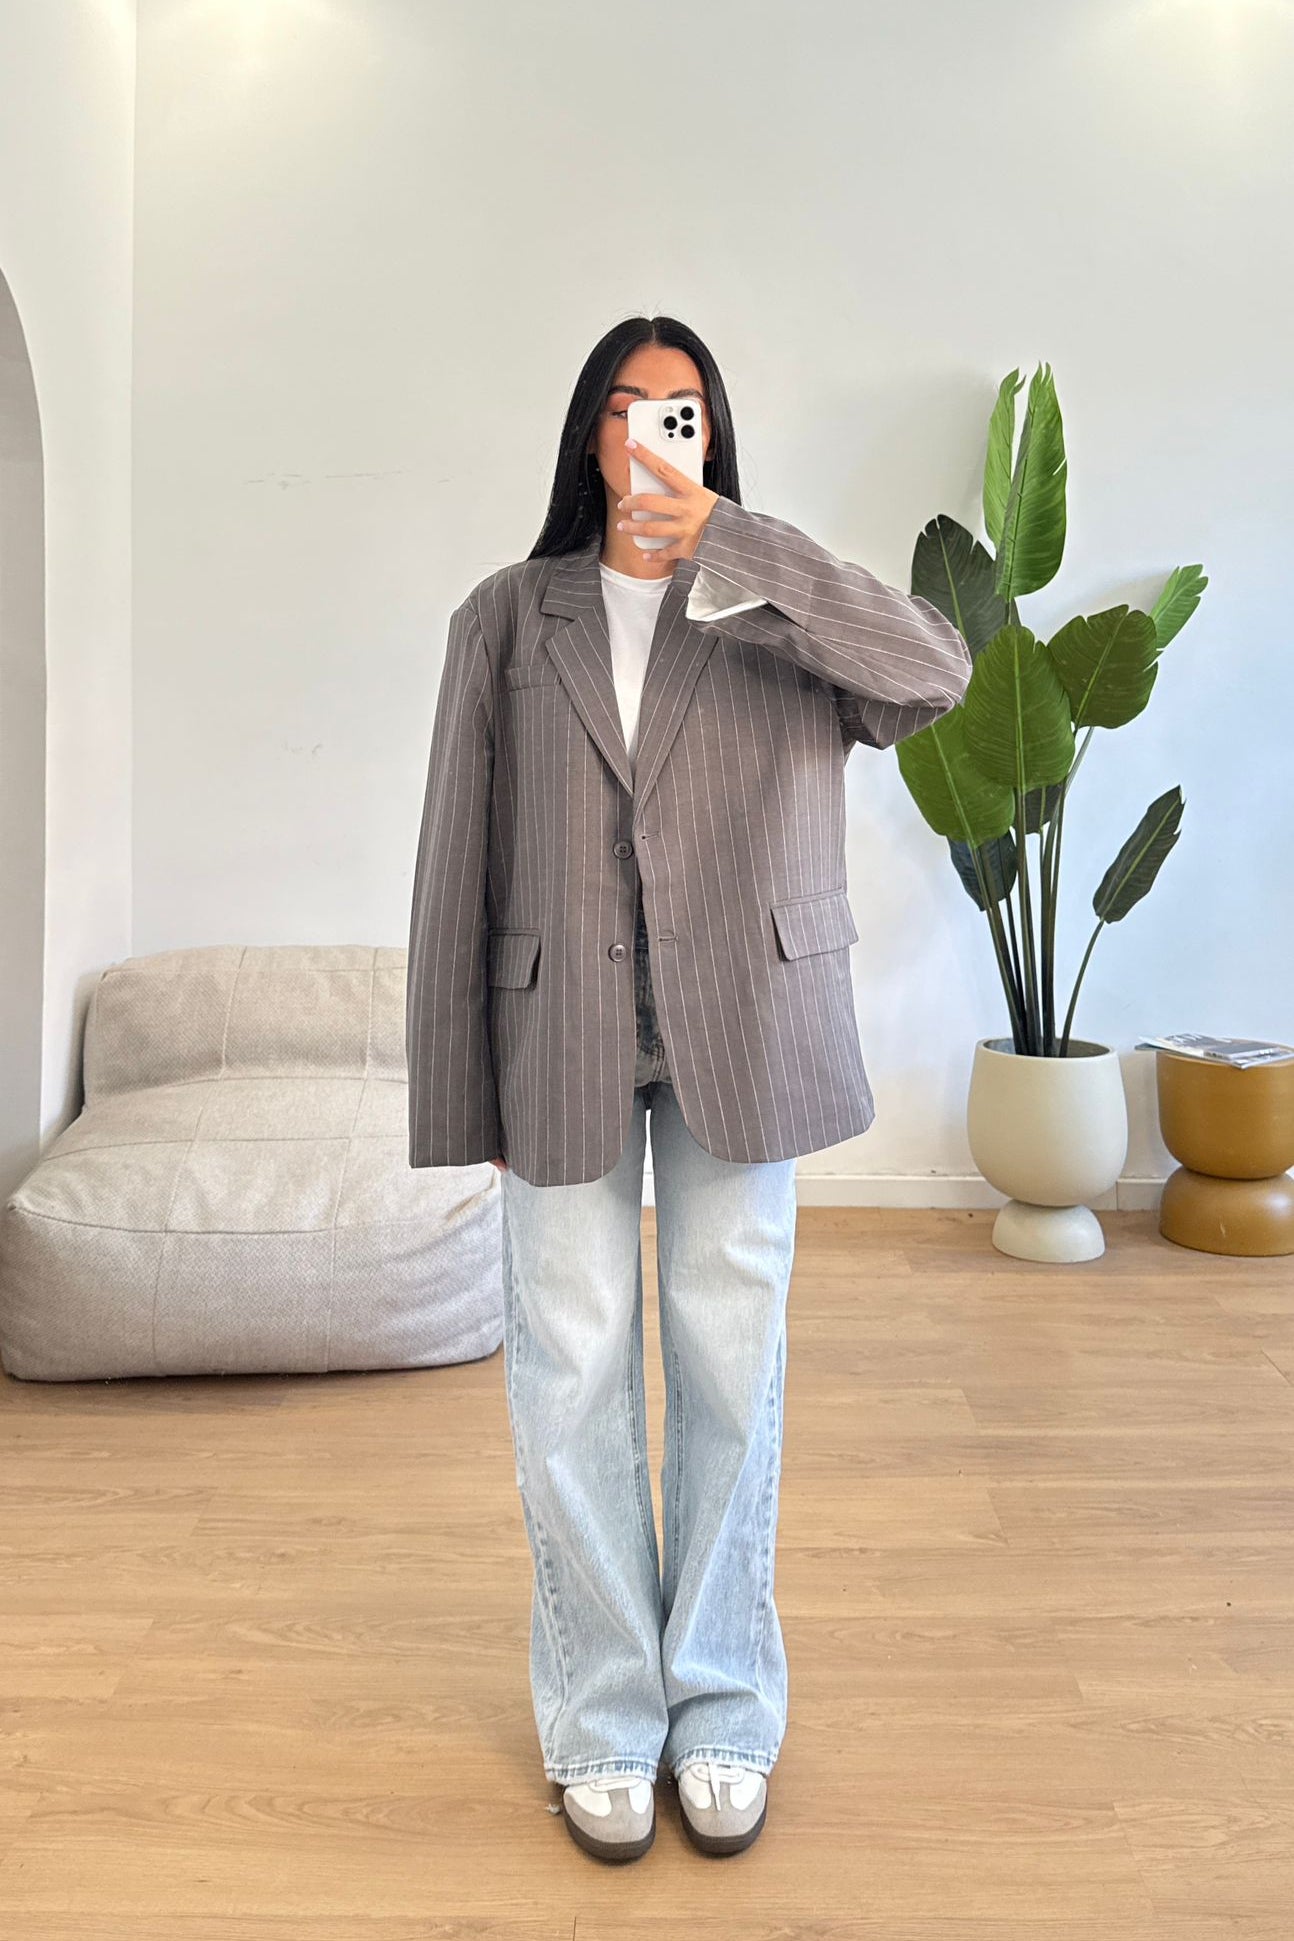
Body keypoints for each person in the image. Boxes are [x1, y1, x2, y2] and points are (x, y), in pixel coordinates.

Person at [406, 315, 973, 1863]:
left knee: (730, 1363)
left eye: (681, 410)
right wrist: (455, 1086)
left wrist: (742, 543)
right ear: (586, 436)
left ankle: (721, 1701)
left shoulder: (776, 607)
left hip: (747, 1018)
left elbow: (933, 672)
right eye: (625, 406)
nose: (652, 432)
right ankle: (601, 1714)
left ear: (711, 438)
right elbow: (455, 855)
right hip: (558, 1025)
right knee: (568, 1368)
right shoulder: (506, 617)